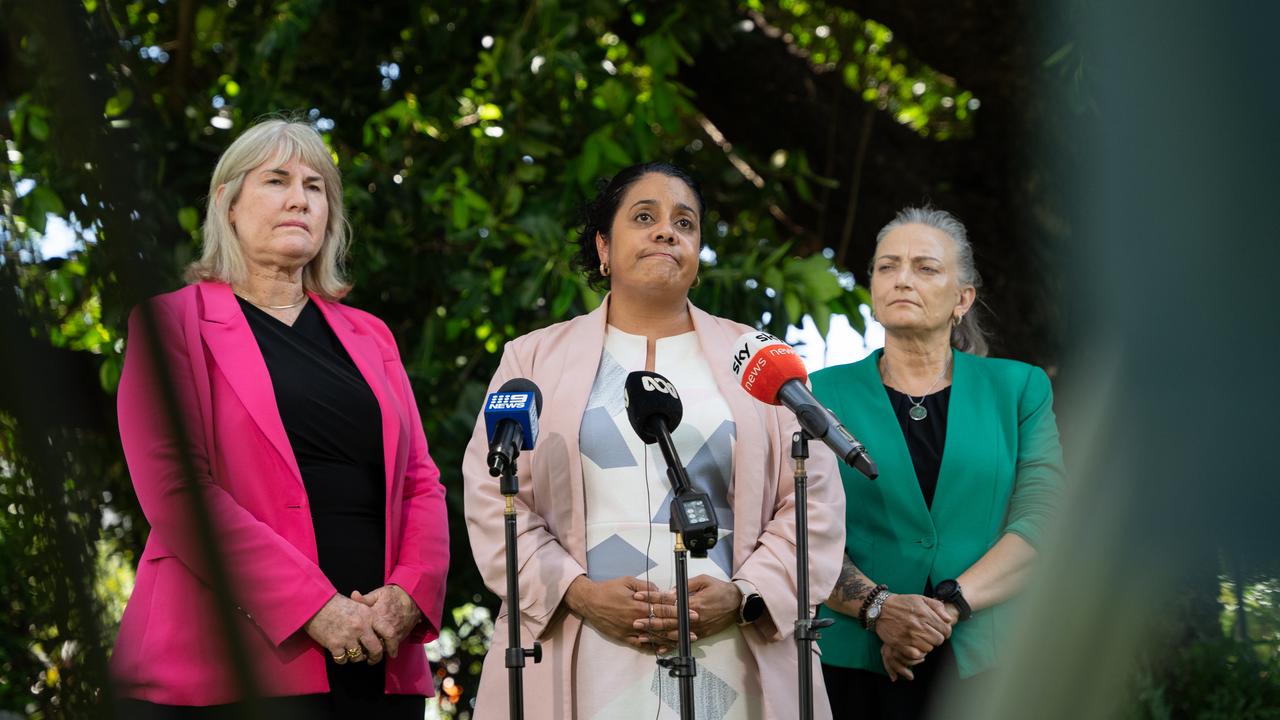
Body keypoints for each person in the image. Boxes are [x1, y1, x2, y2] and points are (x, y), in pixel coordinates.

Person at [462, 161, 846, 719]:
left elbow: (813, 502)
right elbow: (493, 493)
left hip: (728, 646)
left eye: (685, 223)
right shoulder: (534, 359)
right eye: (645, 217)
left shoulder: (758, 359)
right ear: (603, 246)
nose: (667, 231)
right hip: (580, 641)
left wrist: (744, 596)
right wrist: (577, 592)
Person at [112, 118, 449, 718]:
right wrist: (315, 608)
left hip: (377, 658)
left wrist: (408, 595)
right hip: (221, 667)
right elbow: (177, 491)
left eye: (316, 187)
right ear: (229, 204)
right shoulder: (169, 325)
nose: (300, 198)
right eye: (277, 179)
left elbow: (420, 481)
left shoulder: (370, 337)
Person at [813, 207, 1066, 719]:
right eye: (888, 267)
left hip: (988, 663)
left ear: (962, 298)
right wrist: (879, 609)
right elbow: (797, 529)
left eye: (926, 268)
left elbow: (1044, 518)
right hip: (854, 662)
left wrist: (943, 610)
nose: (902, 278)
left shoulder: (1019, 389)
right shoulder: (817, 395)